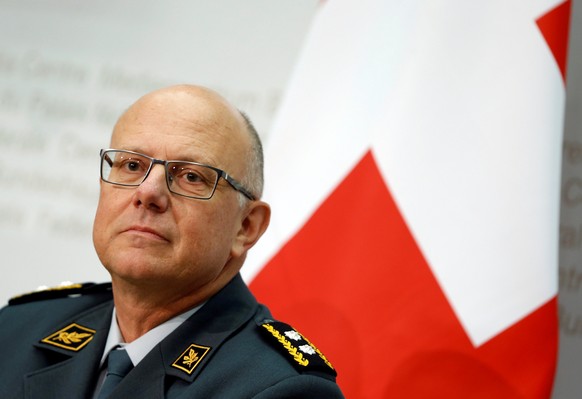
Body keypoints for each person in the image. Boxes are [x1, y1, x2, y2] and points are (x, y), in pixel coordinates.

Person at [0, 85, 344, 398]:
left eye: (191, 176)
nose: (147, 192)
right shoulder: (16, 330)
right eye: (132, 165)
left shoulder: (283, 390)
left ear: (246, 226)